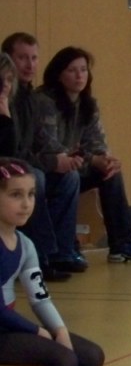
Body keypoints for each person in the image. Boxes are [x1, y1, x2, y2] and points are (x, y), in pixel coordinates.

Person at [0, 157, 105, 366]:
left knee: (90, 357)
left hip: (7, 329)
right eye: (15, 195)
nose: (26, 204)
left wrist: (59, 330)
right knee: (63, 360)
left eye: (31, 194)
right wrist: (37, 331)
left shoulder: (24, 244)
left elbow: (40, 297)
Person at [33, 46, 131, 264]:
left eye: (83, 70)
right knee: (70, 175)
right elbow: (51, 147)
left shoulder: (88, 104)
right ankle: (65, 247)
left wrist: (105, 159)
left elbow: (97, 143)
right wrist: (91, 159)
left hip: (75, 164)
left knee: (111, 173)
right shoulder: (45, 101)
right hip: (49, 167)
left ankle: (122, 243)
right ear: (58, 74)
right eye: (72, 70)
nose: (79, 76)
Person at [2, 32, 77, 280]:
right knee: (35, 178)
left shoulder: (32, 99)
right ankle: (41, 257)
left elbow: (40, 141)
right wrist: (51, 162)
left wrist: (63, 156)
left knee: (70, 177)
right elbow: (12, 152)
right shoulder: (7, 98)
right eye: (22, 57)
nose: (30, 64)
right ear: (8, 60)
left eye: (34, 58)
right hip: (10, 167)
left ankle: (64, 252)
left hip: (25, 162)